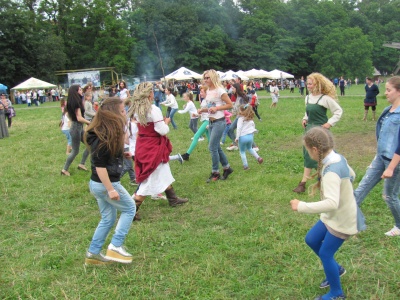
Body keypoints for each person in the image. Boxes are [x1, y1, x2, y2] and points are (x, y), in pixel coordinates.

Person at [290, 127, 357, 300]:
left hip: (341, 220)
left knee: (326, 254)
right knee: (311, 239)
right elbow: (352, 175)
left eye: (307, 150)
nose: (307, 153)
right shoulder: (337, 157)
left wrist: (302, 206)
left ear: (314, 150)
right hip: (331, 218)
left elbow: (332, 203)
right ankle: (336, 269)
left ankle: (336, 293)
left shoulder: (331, 170)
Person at [84, 97, 136, 265]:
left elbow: (107, 156)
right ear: (113, 114)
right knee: (129, 208)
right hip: (105, 184)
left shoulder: (107, 134)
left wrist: (122, 153)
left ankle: (93, 254)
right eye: (122, 111)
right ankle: (115, 246)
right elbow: (99, 166)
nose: (125, 114)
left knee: (108, 218)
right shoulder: (103, 138)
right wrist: (111, 189)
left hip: (97, 185)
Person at [128, 82, 188, 221]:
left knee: (163, 171)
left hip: (143, 144)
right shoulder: (153, 109)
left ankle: (172, 198)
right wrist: (166, 122)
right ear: (149, 94)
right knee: (150, 177)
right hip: (153, 146)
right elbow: (161, 130)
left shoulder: (136, 109)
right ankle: (132, 210)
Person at [354, 76, 400, 236]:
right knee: (361, 188)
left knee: (389, 196)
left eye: (389, 90)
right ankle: (349, 220)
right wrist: (377, 158)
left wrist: (391, 168)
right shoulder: (388, 111)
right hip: (381, 158)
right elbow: (382, 137)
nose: (385, 93)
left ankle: (399, 226)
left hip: (394, 162)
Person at [293, 73, 343, 193]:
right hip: (309, 130)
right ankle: (304, 183)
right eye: (307, 83)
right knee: (308, 155)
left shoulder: (325, 99)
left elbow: (338, 111)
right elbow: (308, 112)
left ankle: (327, 177)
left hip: (321, 131)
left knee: (323, 155)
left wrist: (329, 123)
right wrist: (305, 118)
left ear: (317, 84)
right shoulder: (308, 98)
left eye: (310, 84)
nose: (308, 86)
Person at [198, 70, 234, 182]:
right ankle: (227, 168)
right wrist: (203, 110)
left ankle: (215, 172)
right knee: (216, 147)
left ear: (213, 78)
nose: (205, 80)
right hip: (211, 122)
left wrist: (217, 109)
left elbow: (230, 105)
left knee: (212, 147)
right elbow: (211, 106)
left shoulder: (220, 90)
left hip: (219, 122)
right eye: (204, 78)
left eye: (207, 77)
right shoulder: (208, 90)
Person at [61, 84, 91, 176]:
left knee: (90, 144)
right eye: (80, 90)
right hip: (75, 129)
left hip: (79, 128)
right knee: (75, 151)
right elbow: (79, 118)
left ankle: (81, 164)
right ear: (75, 92)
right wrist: (89, 123)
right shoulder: (75, 103)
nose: (82, 91)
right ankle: (64, 170)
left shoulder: (75, 101)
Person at [181, 86, 210, 161]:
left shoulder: (209, 101)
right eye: (200, 92)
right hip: (204, 120)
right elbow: (203, 112)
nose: (200, 93)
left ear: (206, 92)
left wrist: (209, 123)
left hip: (207, 121)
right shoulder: (204, 101)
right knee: (210, 140)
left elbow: (211, 112)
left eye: (202, 92)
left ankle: (187, 155)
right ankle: (217, 153)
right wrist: (197, 114)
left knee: (196, 136)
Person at [235, 104, 263, 170]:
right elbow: (253, 127)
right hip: (250, 137)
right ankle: (258, 157)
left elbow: (239, 128)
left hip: (242, 137)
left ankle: (246, 166)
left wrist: (237, 137)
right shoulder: (251, 120)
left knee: (242, 151)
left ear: (241, 111)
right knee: (250, 148)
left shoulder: (240, 119)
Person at [226, 83, 249, 151]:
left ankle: (253, 146)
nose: (232, 90)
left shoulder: (241, 98)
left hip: (242, 117)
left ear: (237, 89)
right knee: (232, 130)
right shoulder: (237, 97)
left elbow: (246, 107)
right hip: (238, 117)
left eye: (233, 88)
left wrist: (244, 116)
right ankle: (235, 144)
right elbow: (236, 108)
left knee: (242, 132)